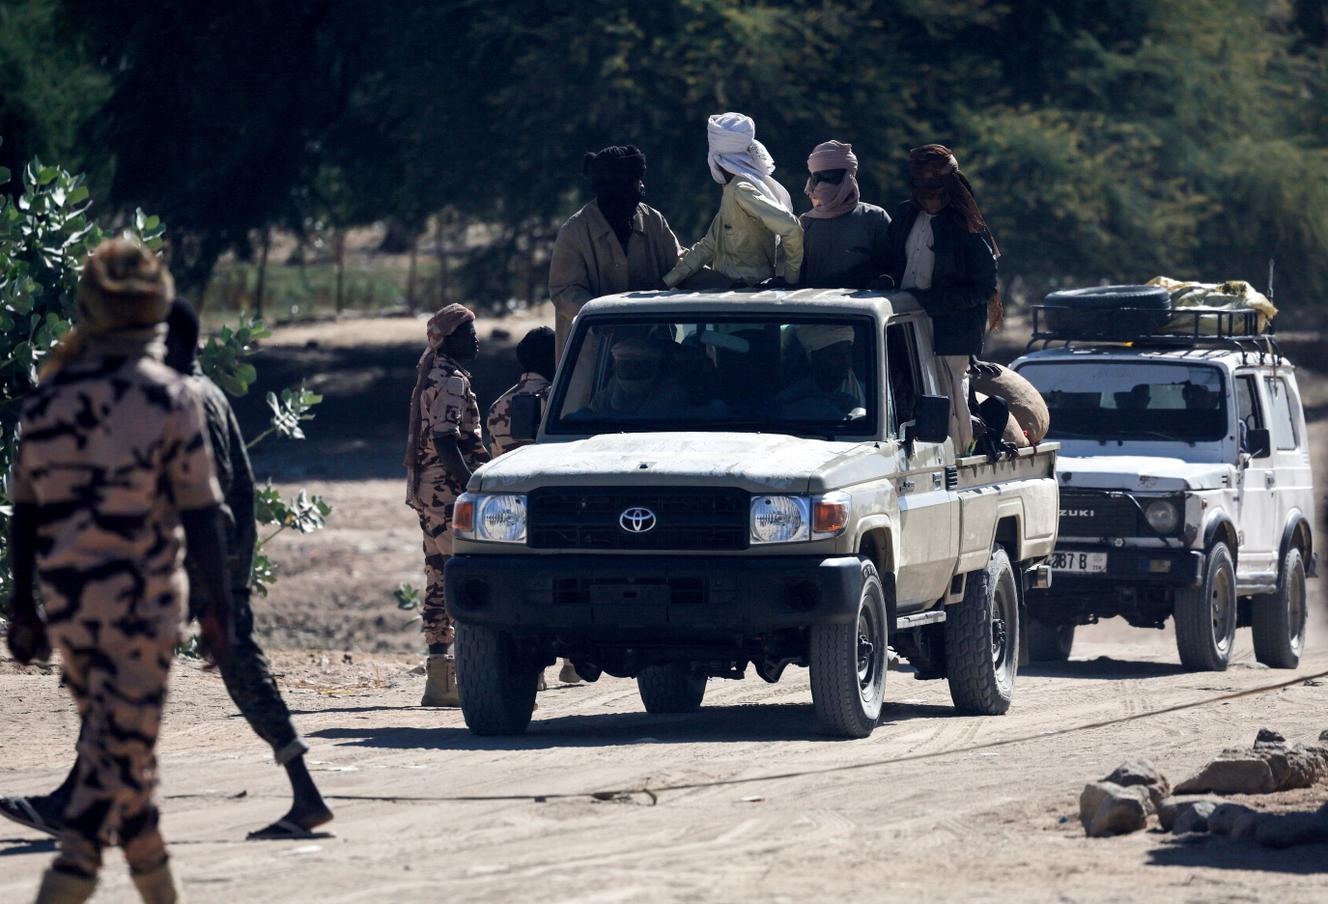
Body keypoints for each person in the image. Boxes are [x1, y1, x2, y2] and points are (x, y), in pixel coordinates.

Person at [0, 302, 334, 850]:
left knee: (176, 666)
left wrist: (213, 594)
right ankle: (86, 799)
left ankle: (84, 801)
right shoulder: (198, 392)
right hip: (207, 560)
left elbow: (208, 505)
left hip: (200, 561)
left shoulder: (187, 398)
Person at [4, 239, 231, 904]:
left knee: (118, 749)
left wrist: (23, 608)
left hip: (71, 609)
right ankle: (71, 873)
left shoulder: (48, 399)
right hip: (144, 607)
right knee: (122, 752)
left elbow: (24, 514)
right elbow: (203, 515)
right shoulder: (170, 398)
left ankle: (149, 881)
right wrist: (219, 611)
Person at [883, 144, 1000, 454]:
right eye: (922, 186)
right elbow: (888, 260)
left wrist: (932, 302)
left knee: (951, 403)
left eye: (936, 186)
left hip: (949, 332)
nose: (929, 195)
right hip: (902, 324)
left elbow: (984, 287)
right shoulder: (905, 216)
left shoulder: (967, 226)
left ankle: (956, 458)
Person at [485, 326, 582, 686]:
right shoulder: (558, 401)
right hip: (555, 508)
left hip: (511, 513)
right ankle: (572, 661)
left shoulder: (499, 405)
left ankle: (533, 670)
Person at [405, 304, 491, 706]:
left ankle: (439, 677)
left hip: (429, 489)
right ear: (450, 339)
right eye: (468, 333)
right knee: (464, 576)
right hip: (447, 491)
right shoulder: (452, 380)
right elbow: (445, 438)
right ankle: (467, 673)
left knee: (438, 576)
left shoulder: (432, 373)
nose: (476, 340)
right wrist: (471, 485)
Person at [548, 145, 683, 353]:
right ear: (618, 189)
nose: (642, 188)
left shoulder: (653, 221)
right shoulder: (575, 232)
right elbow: (564, 292)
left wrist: (728, 281)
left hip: (651, 353)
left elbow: (682, 267)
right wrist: (606, 320)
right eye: (636, 182)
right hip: (593, 357)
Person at [663, 112, 804, 290]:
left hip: (746, 295)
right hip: (728, 292)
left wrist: (789, 280)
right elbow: (708, 246)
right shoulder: (732, 190)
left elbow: (791, 228)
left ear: (716, 158)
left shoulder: (741, 190)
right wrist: (667, 282)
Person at [798, 141, 892, 289]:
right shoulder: (806, 222)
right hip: (812, 302)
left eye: (829, 177)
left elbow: (891, 268)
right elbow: (796, 275)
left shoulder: (874, 218)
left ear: (848, 178)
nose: (822, 184)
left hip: (861, 303)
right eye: (817, 178)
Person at [776, 325, 866, 420]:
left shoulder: (867, 392)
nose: (846, 361)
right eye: (835, 355)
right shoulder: (792, 399)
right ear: (814, 357)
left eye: (848, 353)